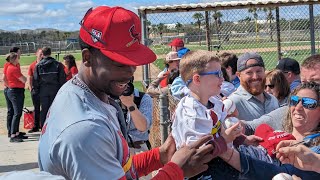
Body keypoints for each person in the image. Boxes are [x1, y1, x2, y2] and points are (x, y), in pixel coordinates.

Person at [38, 6, 215, 180]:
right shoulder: (86, 129)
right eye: (120, 63)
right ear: (87, 57)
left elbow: (115, 167)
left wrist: (161, 156)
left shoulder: (81, 92)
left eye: (133, 61)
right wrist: (176, 172)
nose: (130, 72)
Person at [217, 82, 320, 179]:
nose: (298, 107)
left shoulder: (315, 151)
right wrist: (225, 117)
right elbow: (250, 127)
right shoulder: (283, 114)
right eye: (294, 100)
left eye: (308, 103)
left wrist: (228, 153)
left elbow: (279, 173)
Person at [243, 54, 320, 135]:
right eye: (304, 82)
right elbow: (250, 127)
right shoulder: (291, 111)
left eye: (315, 83)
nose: (307, 88)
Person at [228, 52, 279, 121]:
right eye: (249, 72)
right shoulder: (233, 103)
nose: (255, 77)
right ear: (239, 75)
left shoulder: (273, 100)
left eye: (259, 71)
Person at [33, 47, 66, 129]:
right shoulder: (58, 64)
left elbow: (35, 80)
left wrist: (36, 91)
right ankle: (56, 127)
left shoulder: (38, 66)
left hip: (43, 91)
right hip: (55, 90)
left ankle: (44, 128)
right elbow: (62, 79)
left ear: (42, 54)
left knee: (44, 109)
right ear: (50, 53)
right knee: (55, 109)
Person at [4, 52, 27, 142]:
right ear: (14, 59)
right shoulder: (13, 68)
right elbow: (24, 79)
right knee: (17, 113)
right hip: (15, 91)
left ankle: (16, 133)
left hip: (14, 91)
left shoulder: (12, 67)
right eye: (17, 58)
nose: (19, 59)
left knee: (16, 112)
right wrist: (24, 79)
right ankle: (13, 135)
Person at [27, 48, 43, 133]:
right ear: (36, 54)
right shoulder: (33, 65)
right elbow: (29, 77)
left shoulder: (46, 64)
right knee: (36, 108)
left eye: (43, 54)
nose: (42, 56)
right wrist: (30, 88)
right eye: (40, 54)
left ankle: (43, 125)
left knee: (45, 108)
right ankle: (36, 126)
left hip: (44, 90)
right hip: (36, 90)